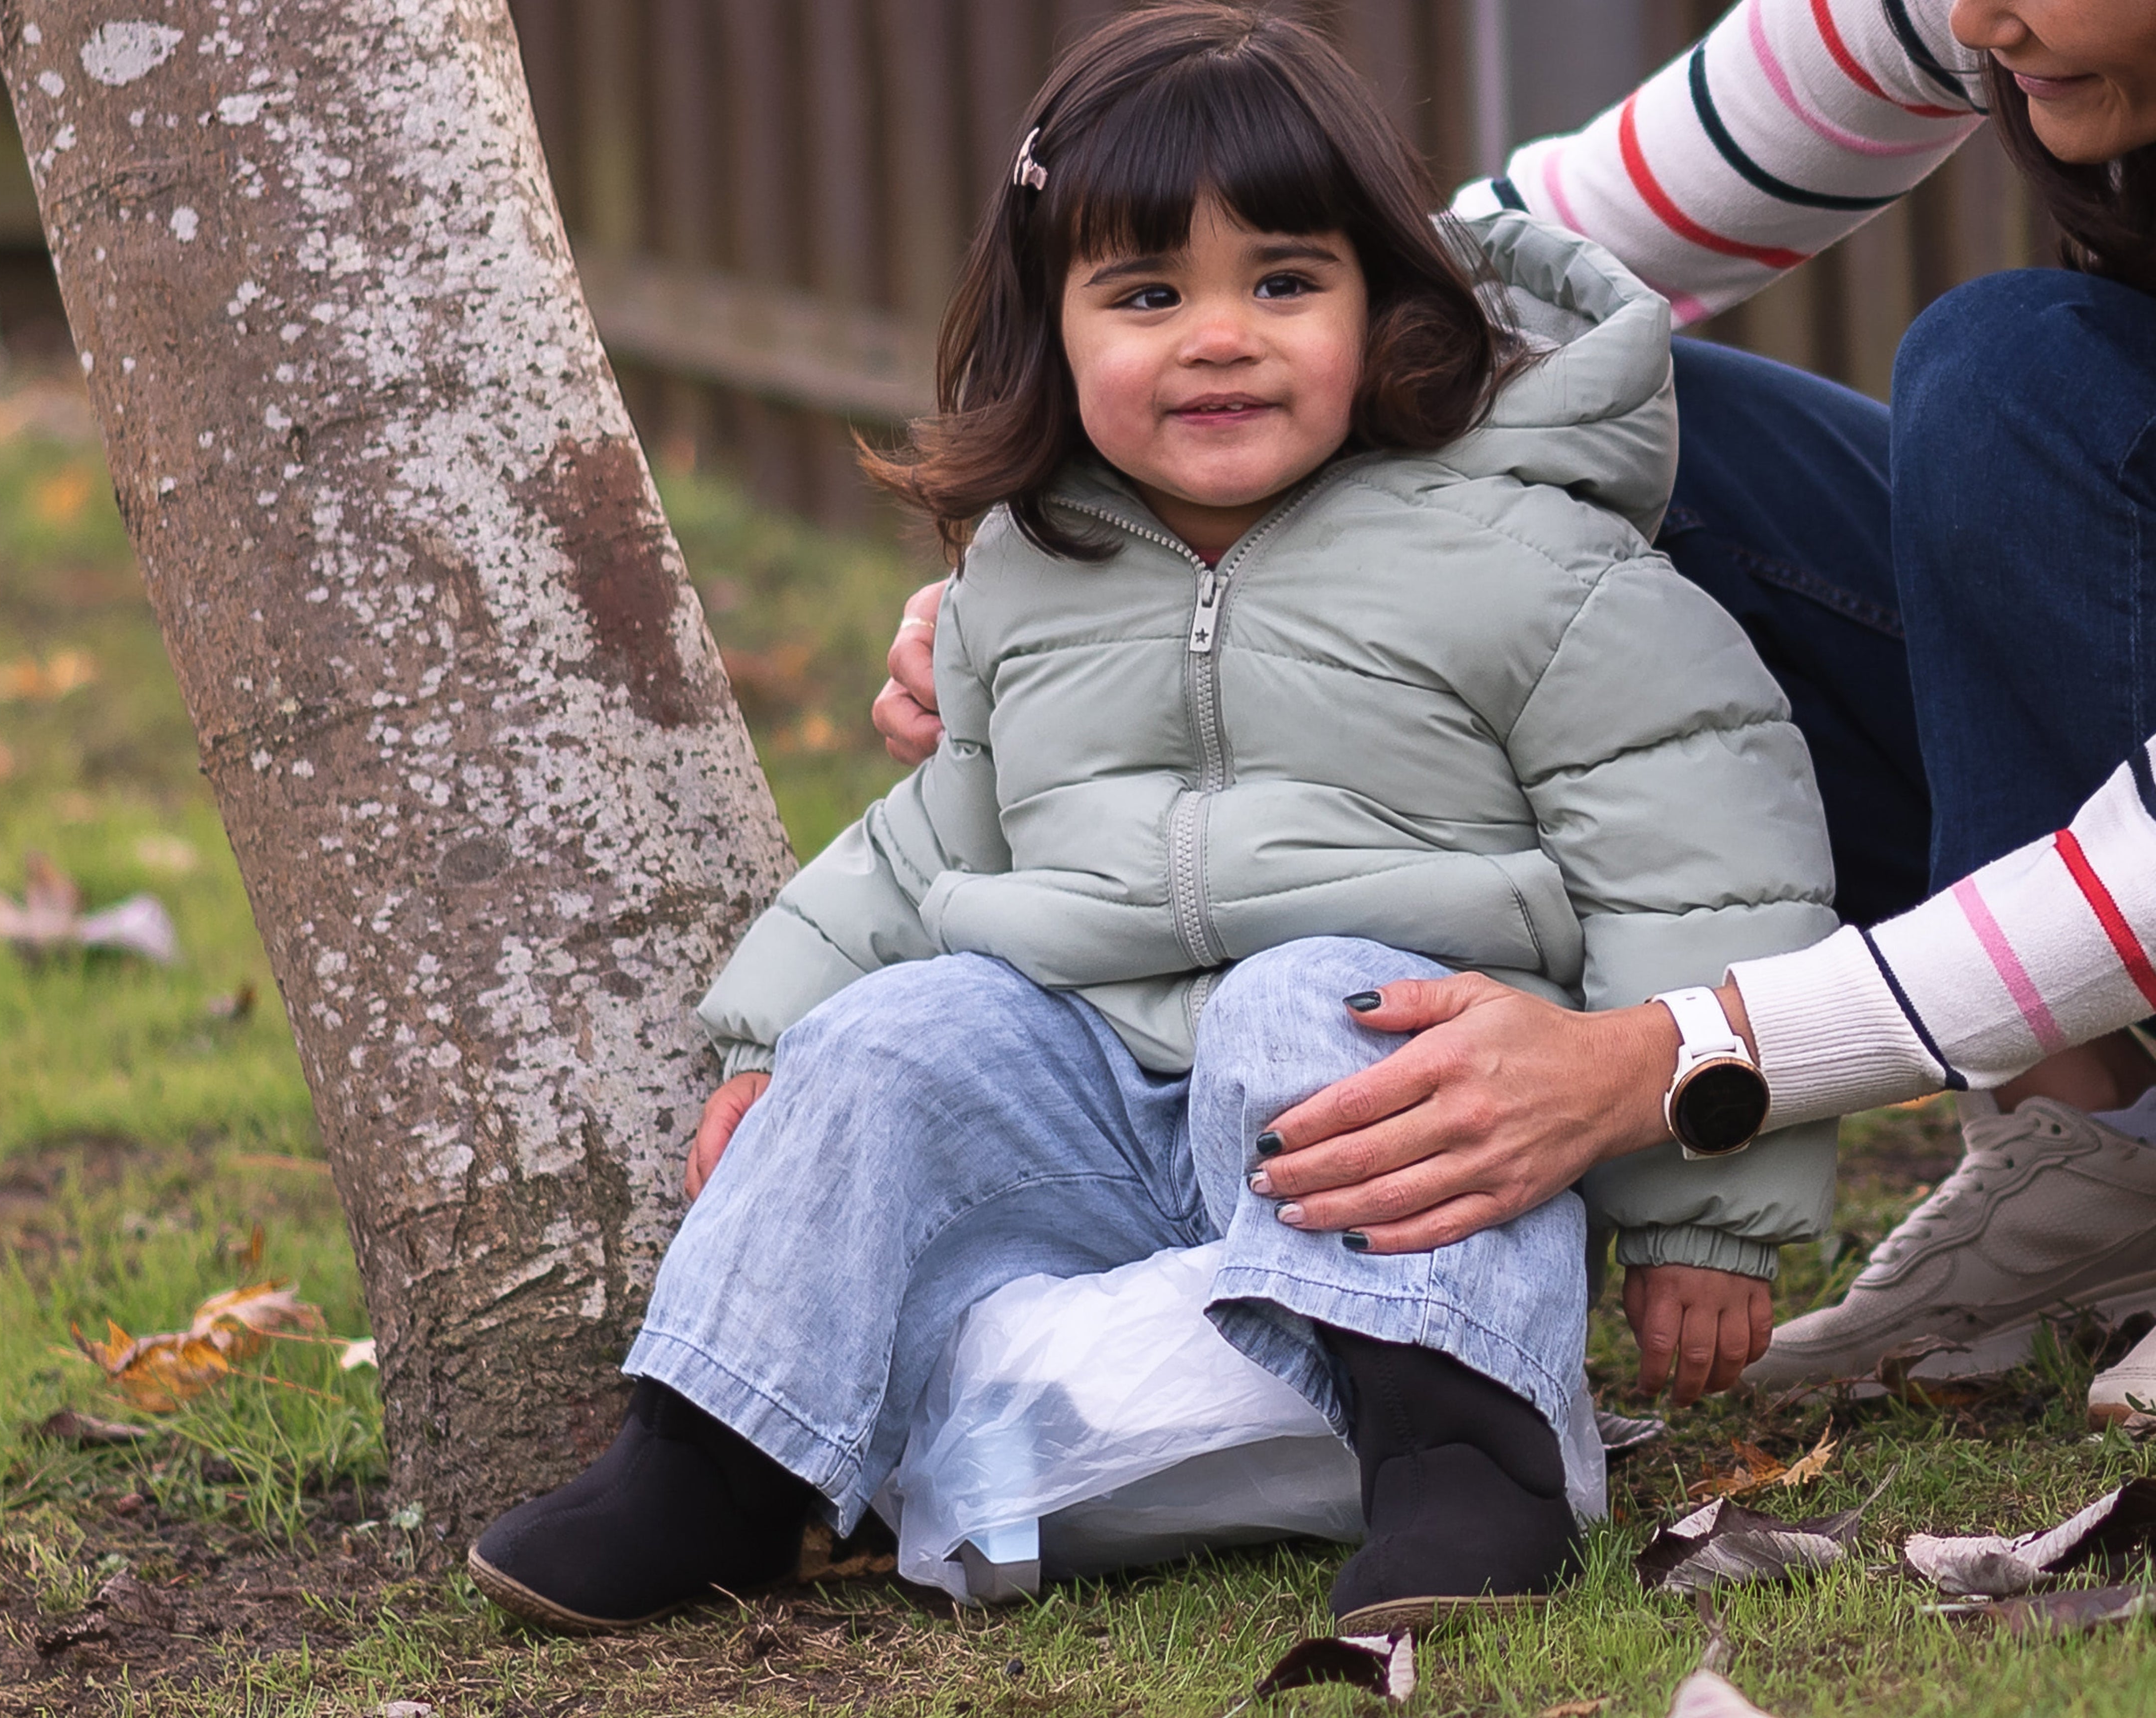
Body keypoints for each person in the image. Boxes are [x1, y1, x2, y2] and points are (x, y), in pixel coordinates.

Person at [471, 3, 1841, 1636]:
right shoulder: (1031, 577)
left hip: (1389, 1126)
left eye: (1282, 280)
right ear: (1051, 333)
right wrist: (781, 1032)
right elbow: (940, 838)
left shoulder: (1527, 557)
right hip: (1104, 1116)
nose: (1218, 336)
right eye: (1145, 294)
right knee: (909, 1029)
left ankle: (1467, 1458)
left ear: (1382, 302)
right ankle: (721, 1461)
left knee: (1311, 994)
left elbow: (1703, 858)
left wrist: (1707, 1198)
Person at [865, 0, 2156, 1415]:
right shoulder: (1970, 15)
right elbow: (1483, 282)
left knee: (1993, 369)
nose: (1982, 16)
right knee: (1647, 434)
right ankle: (2099, 1151)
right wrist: (1069, 588)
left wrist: (1670, 1067)